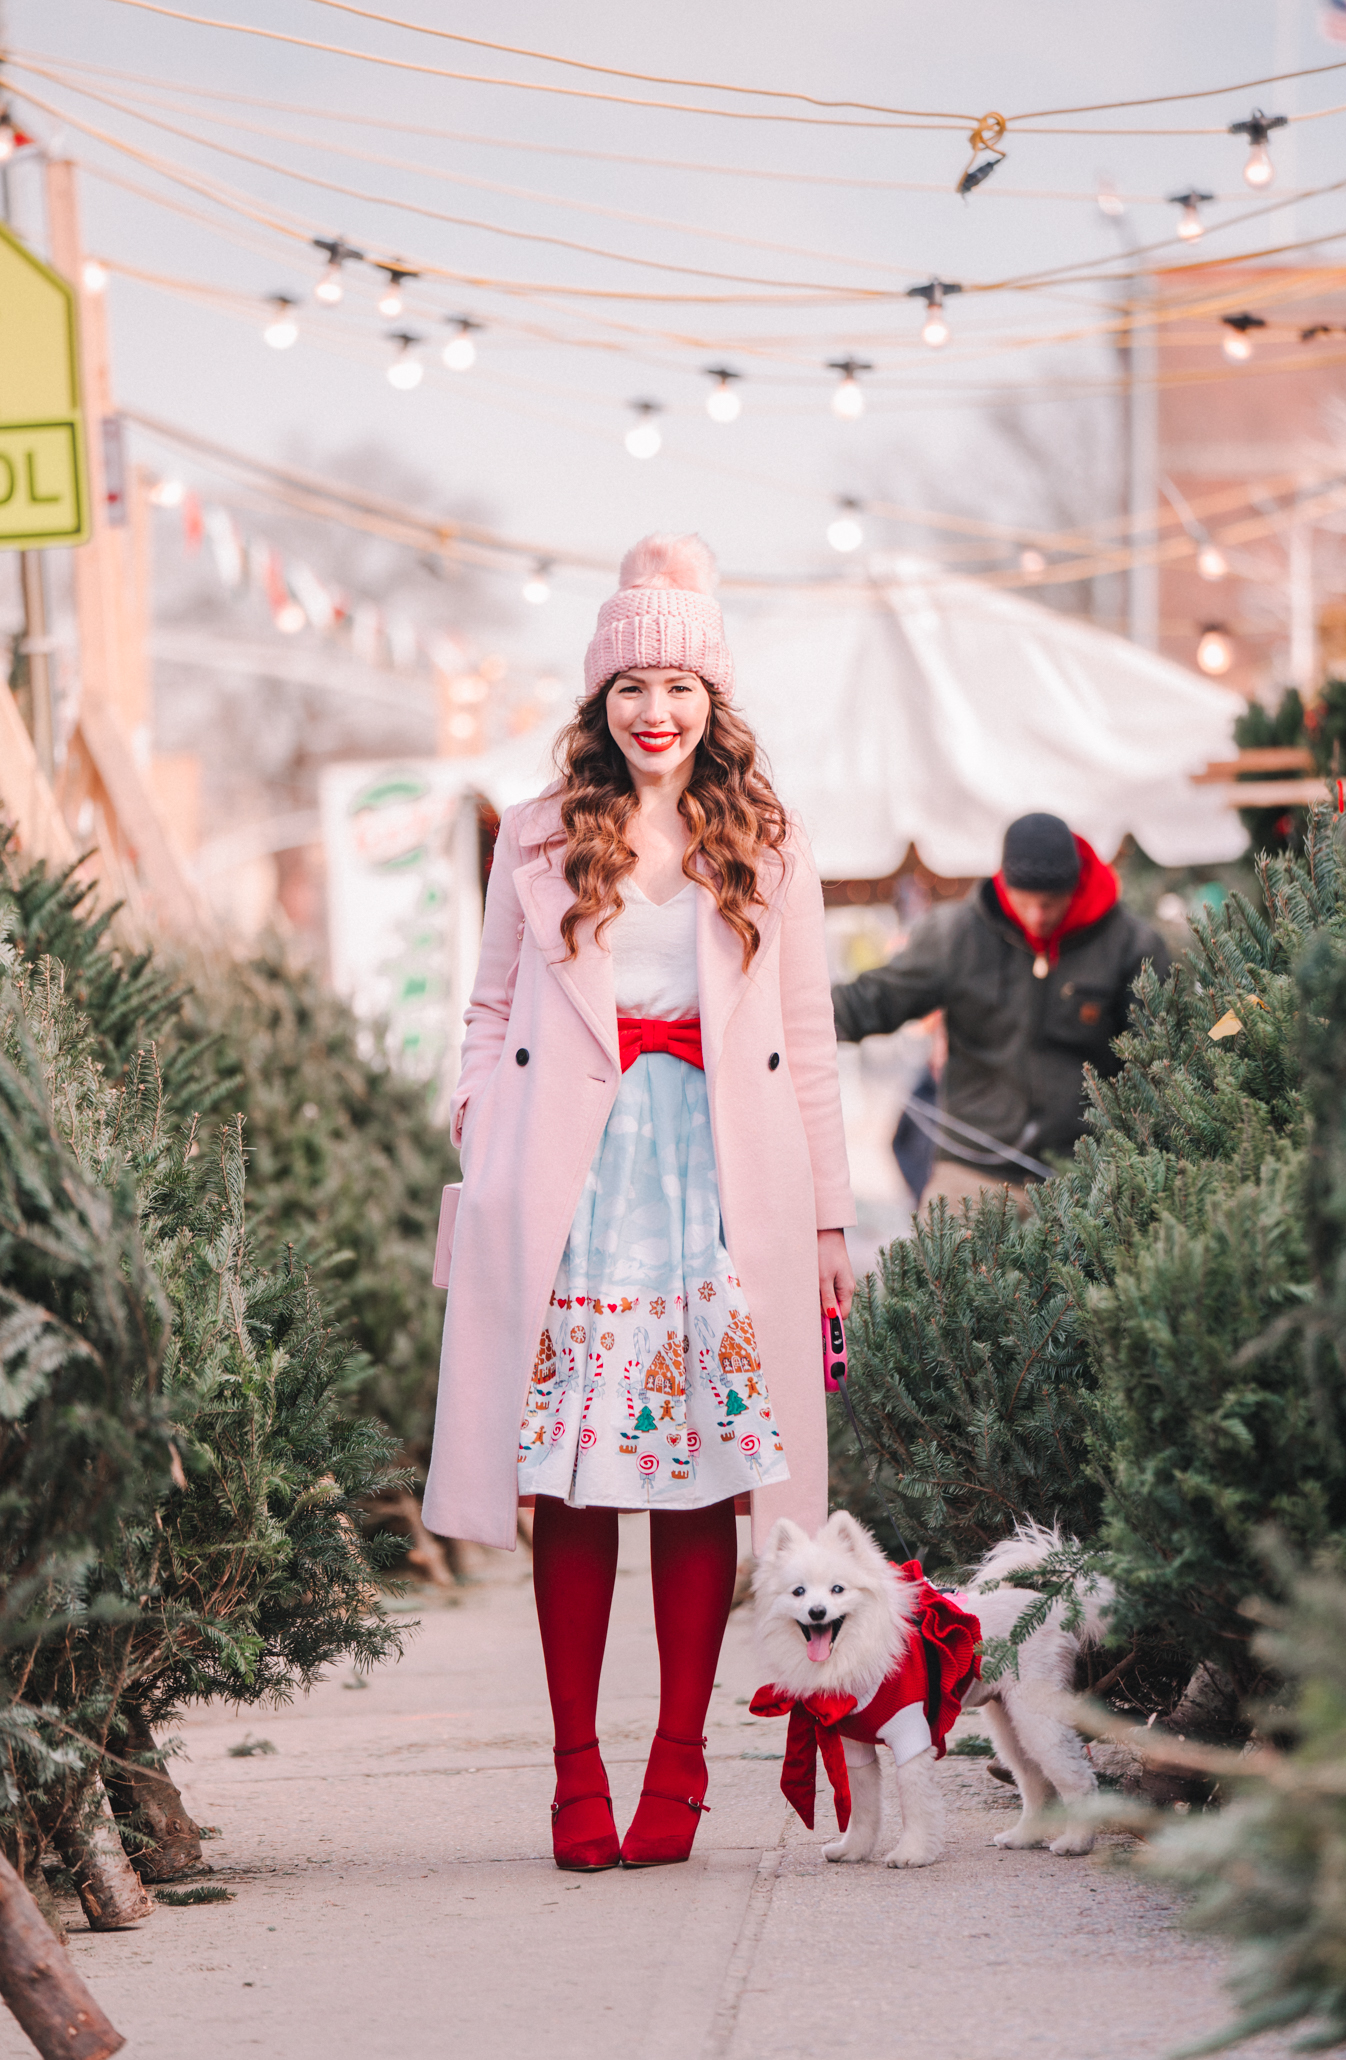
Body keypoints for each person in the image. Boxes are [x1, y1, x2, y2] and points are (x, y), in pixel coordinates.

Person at [422, 533, 855, 1875]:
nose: (654, 711)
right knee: (574, 1485)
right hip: (576, 1182)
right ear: (599, 705)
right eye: (630, 687)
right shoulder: (541, 834)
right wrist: (483, 1133)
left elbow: (810, 1034)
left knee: (698, 1486)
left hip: (725, 1186)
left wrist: (830, 1221)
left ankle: (679, 1767)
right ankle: (573, 1775)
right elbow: (492, 1007)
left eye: (678, 685)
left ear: (711, 704)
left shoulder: (767, 840)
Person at [833, 812, 1168, 1203]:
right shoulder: (955, 935)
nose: (1036, 917)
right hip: (969, 1171)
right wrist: (792, 1024)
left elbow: (1160, 1060)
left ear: (1074, 887)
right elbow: (874, 999)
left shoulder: (1132, 948)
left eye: (1049, 904)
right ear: (1003, 882)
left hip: (1086, 1178)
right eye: (1024, 902)